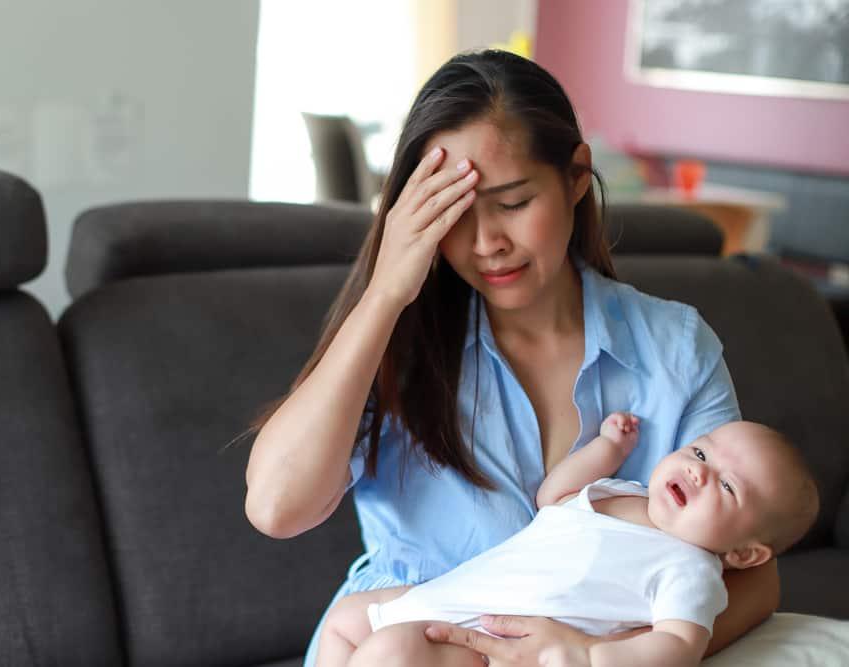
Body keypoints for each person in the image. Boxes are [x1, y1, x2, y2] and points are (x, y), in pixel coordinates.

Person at [245, 49, 778, 667]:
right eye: (453, 214)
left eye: (514, 202)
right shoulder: (400, 339)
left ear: (577, 177)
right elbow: (276, 509)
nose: (486, 244)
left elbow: (755, 576)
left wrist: (592, 652)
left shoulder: (675, 346)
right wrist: (386, 292)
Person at [314, 415, 819, 667]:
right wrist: (608, 448)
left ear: (745, 554)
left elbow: (679, 647)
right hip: (451, 597)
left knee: (390, 652)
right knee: (344, 619)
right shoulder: (621, 490)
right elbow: (555, 496)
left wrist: (586, 656)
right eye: (700, 454)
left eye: (728, 486)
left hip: (492, 642)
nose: (699, 473)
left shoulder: (690, 569)